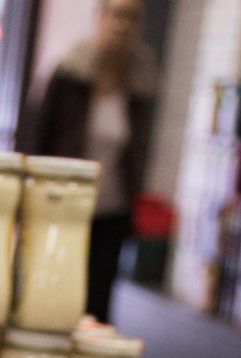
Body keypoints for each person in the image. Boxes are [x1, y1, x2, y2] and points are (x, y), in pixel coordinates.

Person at [20, 0, 156, 323]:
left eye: (131, 18)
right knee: (52, 294)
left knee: (97, 303)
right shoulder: (68, 74)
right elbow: (35, 136)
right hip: (64, 205)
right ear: (100, 18)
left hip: (112, 210)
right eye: (116, 15)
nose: (121, 25)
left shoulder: (142, 84)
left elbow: (137, 150)